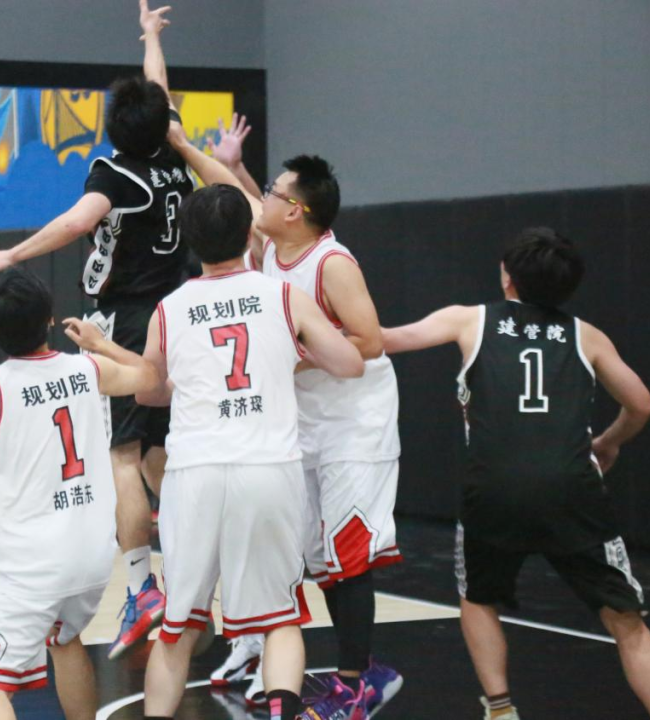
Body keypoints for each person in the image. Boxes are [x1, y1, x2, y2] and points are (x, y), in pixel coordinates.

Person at [69, 183, 365, 720]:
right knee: (279, 621)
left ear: (188, 239)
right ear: (249, 234)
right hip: (267, 470)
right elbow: (350, 363)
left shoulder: (169, 308)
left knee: (178, 629)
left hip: (194, 474)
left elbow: (150, 392)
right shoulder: (283, 296)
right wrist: (291, 353)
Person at [0, 0, 185, 660]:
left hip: (129, 317)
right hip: (174, 312)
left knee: (121, 455)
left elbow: (76, 222)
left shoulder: (117, 174)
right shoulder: (172, 149)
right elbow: (159, 91)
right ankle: (195, 550)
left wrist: (11, 253)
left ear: (114, 128)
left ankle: (141, 587)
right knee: (156, 452)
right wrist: (150, 39)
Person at [381, 228, 650, 720]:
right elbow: (641, 404)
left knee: (478, 598)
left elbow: (385, 339)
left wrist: (311, 322)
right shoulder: (587, 335)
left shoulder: (469, 319)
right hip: (571, 488)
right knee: (626, 620)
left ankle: (501, 709)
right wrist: (609, 442)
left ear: (507, 276)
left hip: (494, 488)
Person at [169, 122, 405, 719]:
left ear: (296, 210)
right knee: (316, 556)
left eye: (272, 191)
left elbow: (370, 342)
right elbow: (226, 187)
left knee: (347, 552)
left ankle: (355, 683)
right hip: (306, 418)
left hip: (355, 423)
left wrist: (289, 352)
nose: (260, 197)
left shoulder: (332, 264)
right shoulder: (275, 245)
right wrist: (184, 147)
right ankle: (351, 669)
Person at [0, 267, 159, 720]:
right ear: (49, 319)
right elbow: (148, 378)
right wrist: (100, 343)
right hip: (90, 557)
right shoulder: (87, 368)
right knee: (64, 639)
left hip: (31, 566)